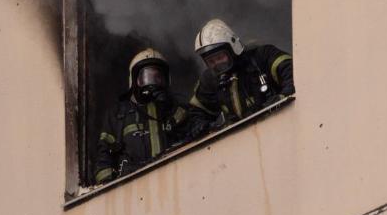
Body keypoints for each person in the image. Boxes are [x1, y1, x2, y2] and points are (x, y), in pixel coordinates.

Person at [93, 48, 189, 185]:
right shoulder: (118, 115)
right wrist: (109, 188)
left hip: (174, 182)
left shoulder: (175, 108)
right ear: (134, 81)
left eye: (158, 77)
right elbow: (103, 156)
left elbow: (192, 134)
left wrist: (170, 108)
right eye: (146, 77)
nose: (153, 83)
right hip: (133, 188)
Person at [187, 19, 294, 138]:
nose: (216, 64)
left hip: (283, 128)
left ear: (233, 47)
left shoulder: (262, 57)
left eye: (219, 57)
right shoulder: (211, 79)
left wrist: (283, 97)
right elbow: (196, 112)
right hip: (241, 144)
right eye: (211, 61)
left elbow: (293, 72)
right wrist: (199, 125)